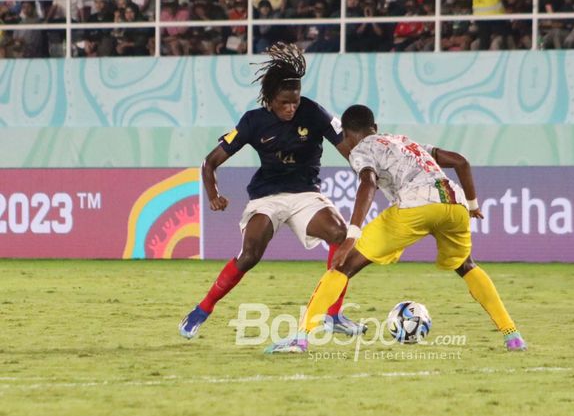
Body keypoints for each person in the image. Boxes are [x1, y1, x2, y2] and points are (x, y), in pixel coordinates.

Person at [266, 104, 527, 354]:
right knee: (467, 266)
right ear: (375, 126)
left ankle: (300, 338)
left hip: (415, 206)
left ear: (346, 135)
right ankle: (512, 335)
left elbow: (367, 183)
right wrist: (473, 205)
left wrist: (352, 235)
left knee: (343, 267)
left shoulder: (360, 150)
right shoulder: (406, 142)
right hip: (455, 205)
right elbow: (460, 162)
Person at [179, 43, 366, 339]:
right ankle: (203, 308)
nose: (291, 108)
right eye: (284, 103)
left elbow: (348, 149)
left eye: (295, 101)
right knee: (250, 254)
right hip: (266, 197)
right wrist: (213, 193)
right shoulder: (253, 121)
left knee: (340, 235)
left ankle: (333, 314)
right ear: (270, 99)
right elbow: (210, 161)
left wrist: (363, 168)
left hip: (305, 194)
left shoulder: (314, 112)